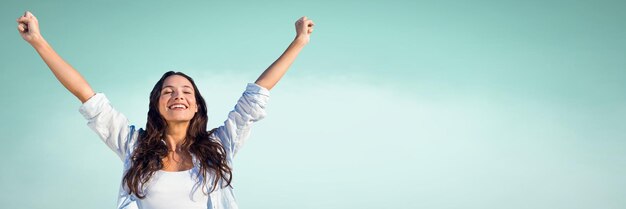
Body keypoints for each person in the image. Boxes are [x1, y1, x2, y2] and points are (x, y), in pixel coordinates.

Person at [16, 10, 314, 209]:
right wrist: (38, 42)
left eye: (186, 92)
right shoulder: (133, 145)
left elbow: (257, 93)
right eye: (167, 92)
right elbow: (86, 94)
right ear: (157, 104)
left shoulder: (221, 145)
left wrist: (299, 42)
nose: (178, 96)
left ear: (197, 106)